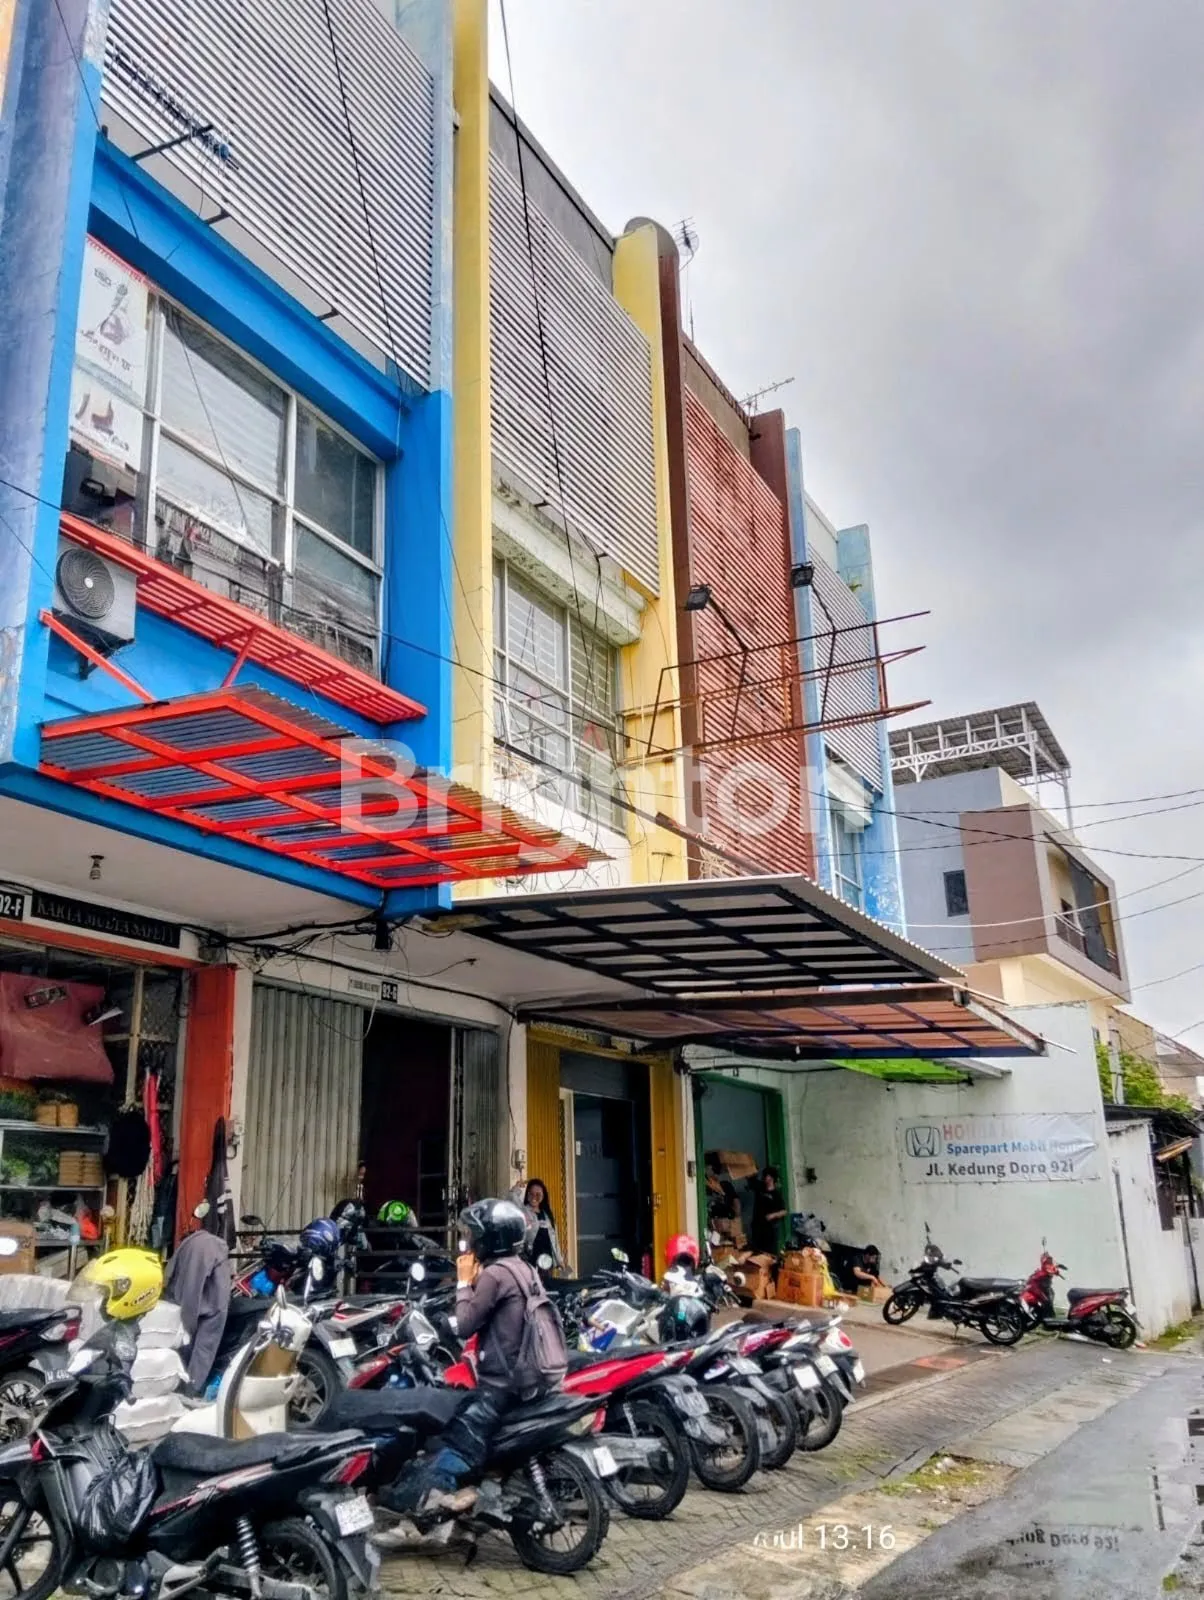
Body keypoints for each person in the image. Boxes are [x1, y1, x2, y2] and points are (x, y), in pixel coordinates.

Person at [377, 1197, 548, 1518]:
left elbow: (466, 1323)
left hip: (504, 1382)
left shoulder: (496, 1275)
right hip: (529, 1373)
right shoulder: (524, 1269)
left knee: (459, 1437)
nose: (470, 1241)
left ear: (492, 1238)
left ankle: (435, 1505)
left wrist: (463, 1282)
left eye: (475, 1234)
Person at [522, 1177, 565, 1272]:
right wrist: (516, 1189)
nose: (534, 1197)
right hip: (529, 1260)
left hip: (546, 1261)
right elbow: (511, 1202)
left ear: (543, 1196)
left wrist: (559, 1260)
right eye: (531, 1194)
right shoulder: (523, 1211)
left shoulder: (547, 1214)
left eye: (538, 1194)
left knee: (547, 1281)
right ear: (527, 1195)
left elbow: (554, 1239)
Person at [748, 1165, 787, 1255]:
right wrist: (752, 1168)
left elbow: (784, 1211)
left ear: (772, 1178)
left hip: (769, 1229)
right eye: (765, 1176)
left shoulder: (776, 1195)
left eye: (767, 1176)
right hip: (757, 1226)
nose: (765, 1178)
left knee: (770, 1253)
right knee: (757, 1252)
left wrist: (773, 1215)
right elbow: (750, 1178)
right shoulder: (760, 1187)